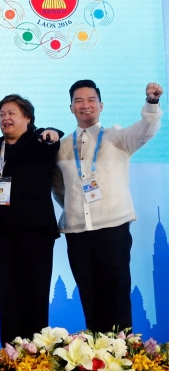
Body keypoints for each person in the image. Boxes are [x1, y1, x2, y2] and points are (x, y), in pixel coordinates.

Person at [52, 80, 162, 333]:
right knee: (88, 295)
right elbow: (59, 188)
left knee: (117, 292)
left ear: (100, 105)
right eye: (78, 101)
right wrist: (73, 208)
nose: (85, 105)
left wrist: (152, 103)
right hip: (77, 230)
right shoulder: (62, 147)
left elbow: (145, 130)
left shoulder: (118, 137)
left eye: (91, 100)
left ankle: (121, 358)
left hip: (113, 226)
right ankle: (95, 359)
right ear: (71, 108)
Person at [0, 94, 61, 345]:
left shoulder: (40, 142)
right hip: (1, 233)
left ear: (28, 118)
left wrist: (51, 132)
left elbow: (55, 137)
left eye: (12, 113)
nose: (5, 118)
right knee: (6, 295)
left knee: (35, 293)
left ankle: (36, 357)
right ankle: (10, 356)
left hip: (35, 232)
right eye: (2, 114)